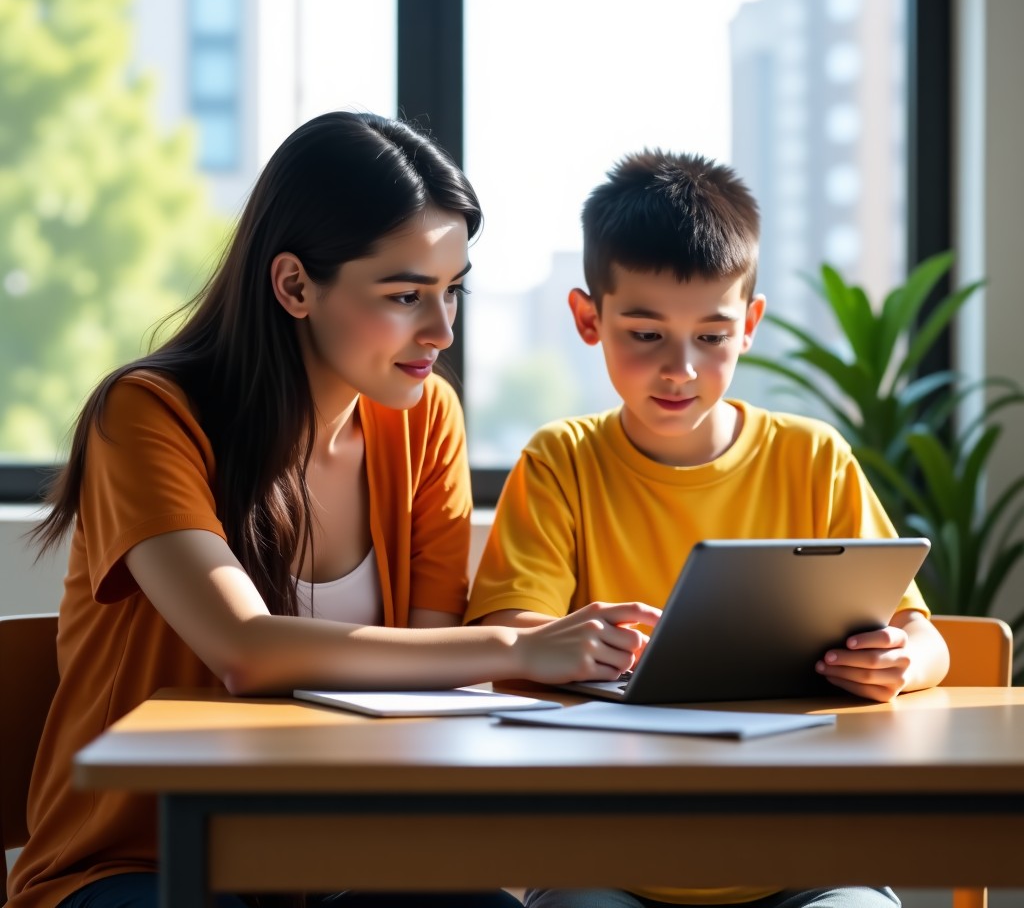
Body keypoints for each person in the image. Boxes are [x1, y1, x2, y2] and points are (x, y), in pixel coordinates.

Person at [9, 111, 660, 908]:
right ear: (293, 285)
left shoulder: (426, 421)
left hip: (336, 859)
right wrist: (513, 649)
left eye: (452, 292)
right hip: (140, 860)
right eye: (404, 295)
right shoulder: (146, 415)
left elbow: (428, 673)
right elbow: (242, 648)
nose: (440, 330)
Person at [465, 149, 950, 908]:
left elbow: (925, 639)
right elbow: (512, 639)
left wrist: (900, 662)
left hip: (806, 856)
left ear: (749, 325)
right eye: (646, 333)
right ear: (589, 319)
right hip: (608, 857)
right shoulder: (562, 461)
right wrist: (579, 644)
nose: (680, 369)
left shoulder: (811, 457)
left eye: (711, 337)